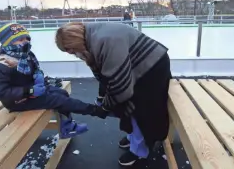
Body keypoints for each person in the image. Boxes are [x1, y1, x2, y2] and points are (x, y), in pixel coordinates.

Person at [55, 22, 172, 166]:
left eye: (72, 51)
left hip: (152, 67)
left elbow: (120, 87)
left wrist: (105, 107)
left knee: (139, 109)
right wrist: (102, 96)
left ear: (75, 41)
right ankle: (133, 138)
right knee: (127, 107)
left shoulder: (106, 41)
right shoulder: (90, 36)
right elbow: (107, 73)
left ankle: (140, 151)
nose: (73, 54)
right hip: (138, 63)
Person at [0, 23, 108, 139]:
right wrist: (29, 91)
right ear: (7, 42)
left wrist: (40, 79)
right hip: (18, 101)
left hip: (33, 90)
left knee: (62, 93)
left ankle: (66, 126)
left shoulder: (26, 55)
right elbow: (0, 92)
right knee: (58, 100)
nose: (26, 42)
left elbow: (32, 72)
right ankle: (94, 110)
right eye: (20, 40)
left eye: (27, 39)